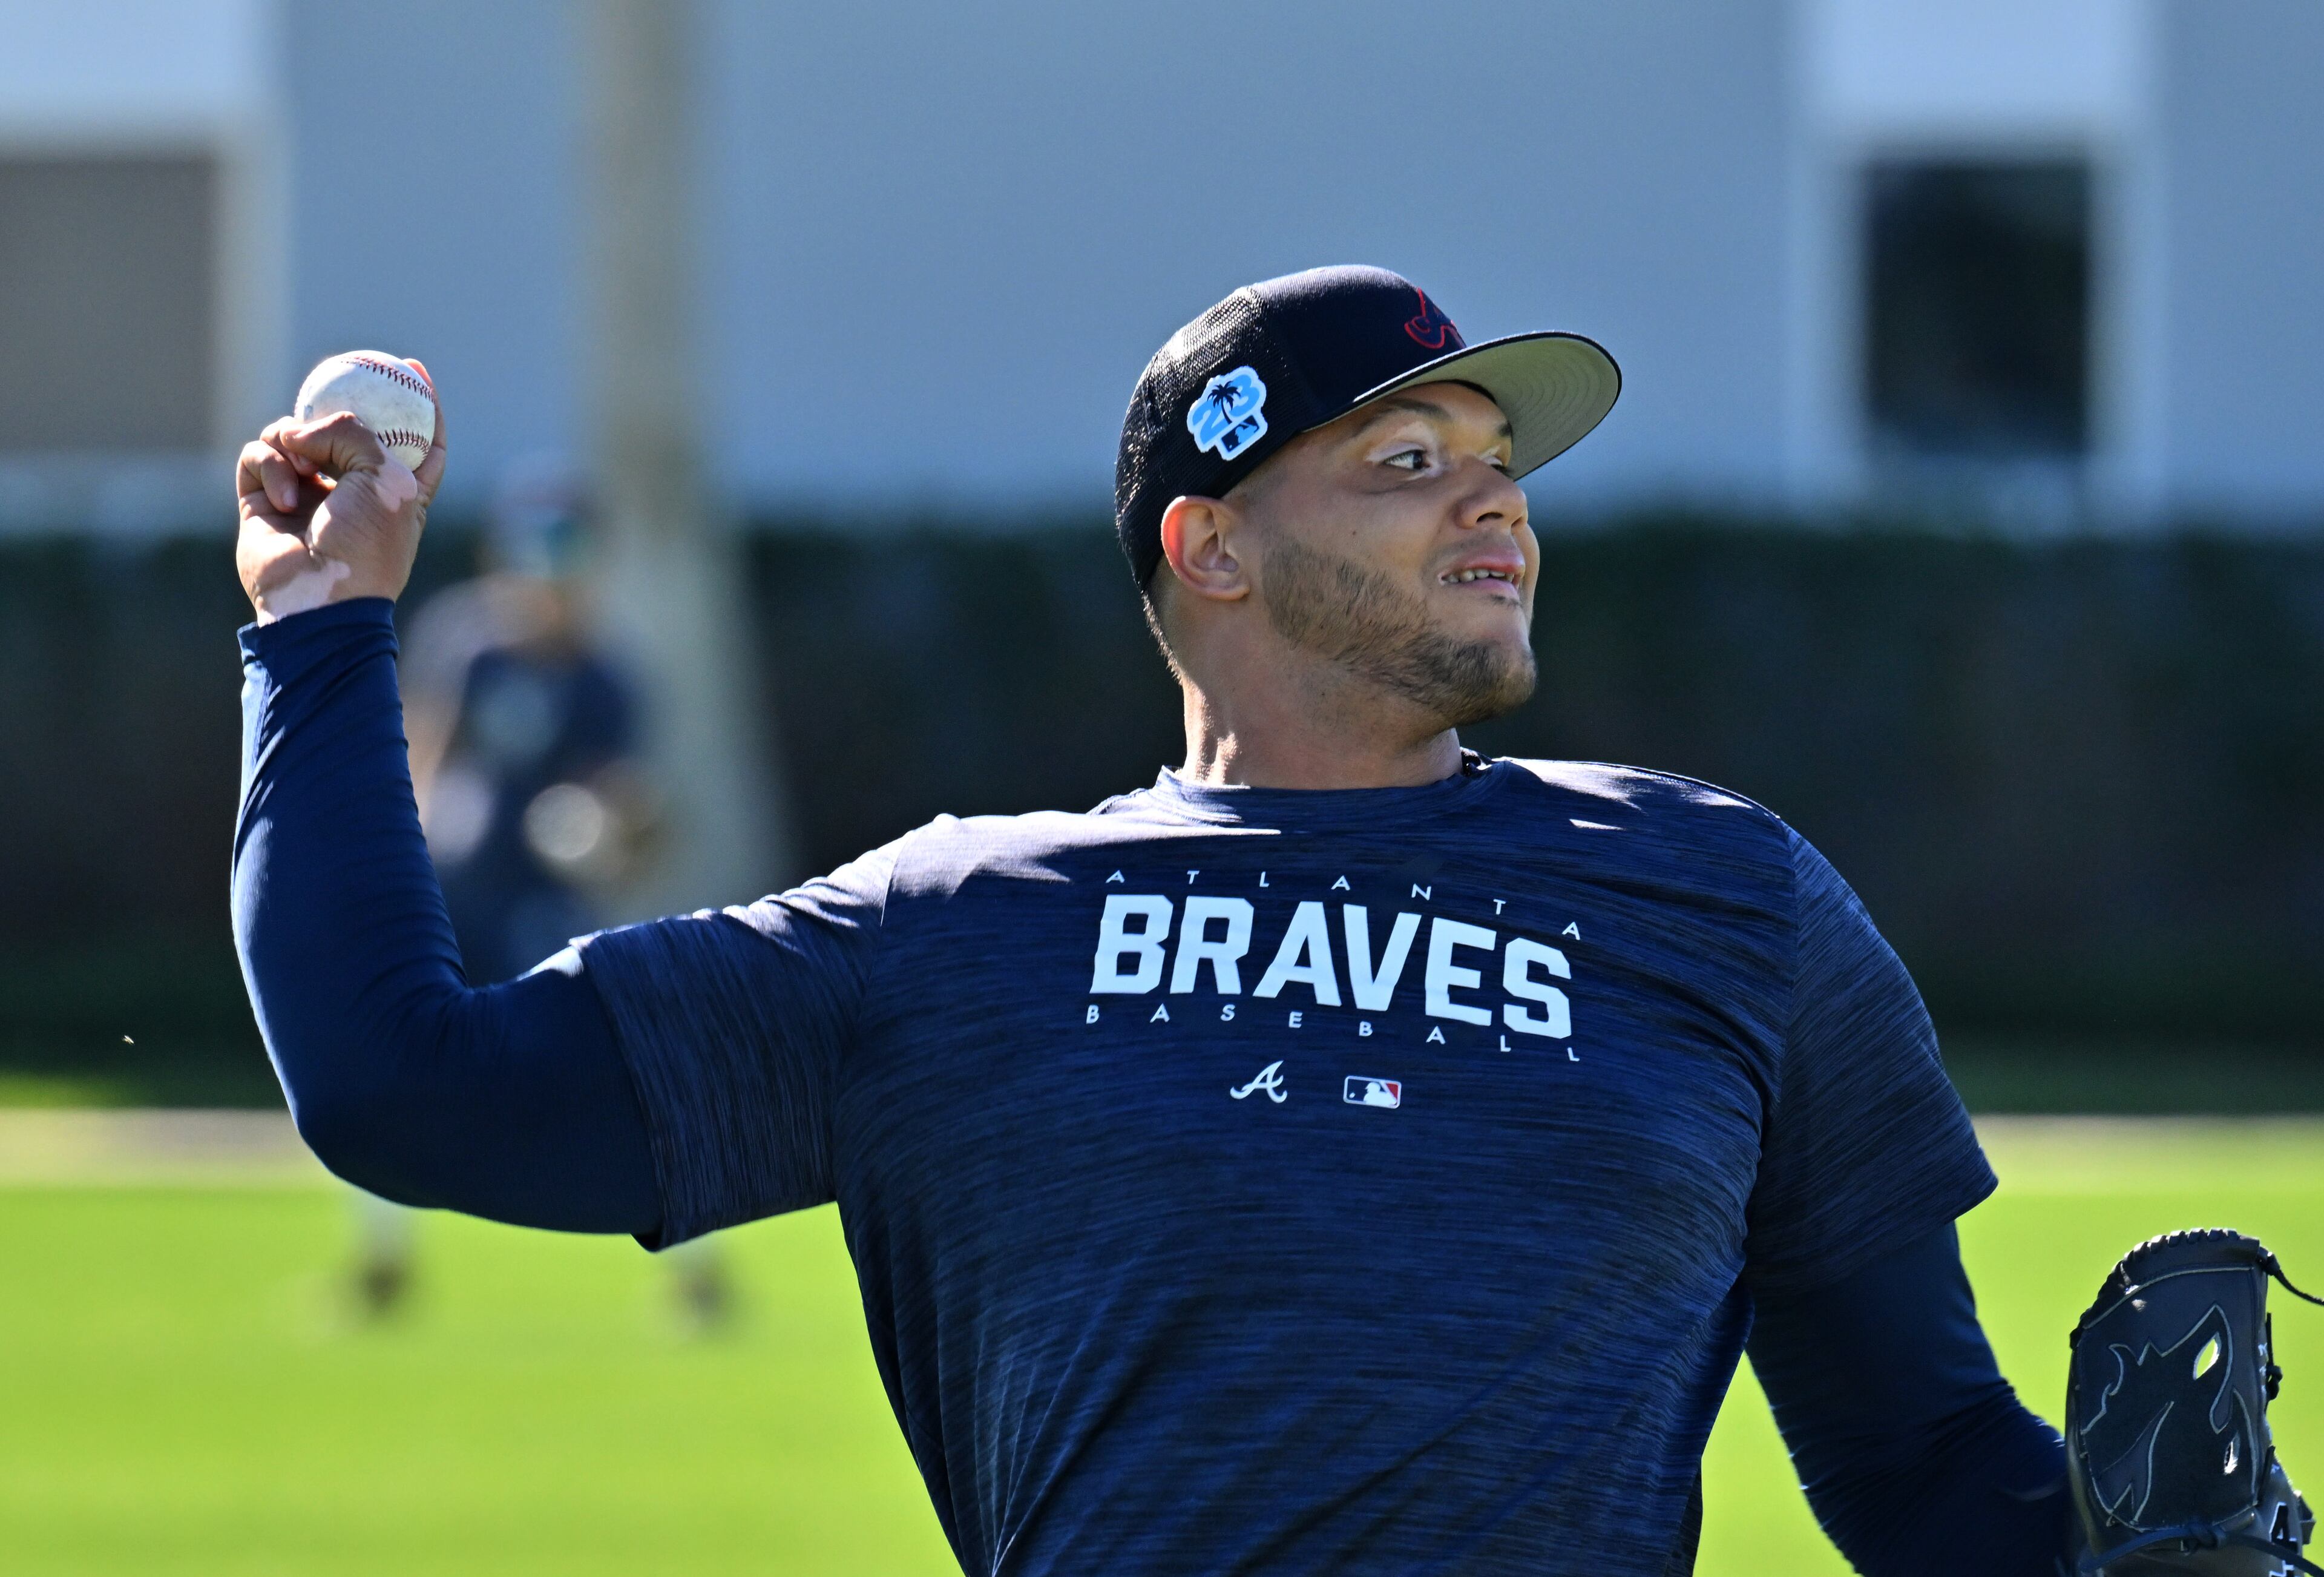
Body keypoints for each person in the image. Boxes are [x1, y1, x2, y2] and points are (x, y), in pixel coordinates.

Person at [231, 268, 2069, 1575]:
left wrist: (2134, 1557)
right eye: (1407, 461)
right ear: (1215, 549)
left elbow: (1922, 1460)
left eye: (1498, 456)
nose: (1497, 495)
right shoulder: (958, 934)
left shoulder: (1727, 899)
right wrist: (320, 634)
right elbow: (404, 1084)